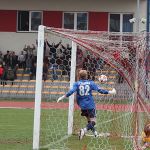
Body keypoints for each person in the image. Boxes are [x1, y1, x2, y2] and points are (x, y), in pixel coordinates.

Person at [57, 69, 116, 140]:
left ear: (79, 76)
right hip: (90, 105)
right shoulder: (91, 83)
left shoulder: (76, 83)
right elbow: (100, 90)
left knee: (89, 120)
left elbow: (72, 91)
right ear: (86, 75)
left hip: (82, 105)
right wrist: (111, 92)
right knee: (94, 121)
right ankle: (84, 130)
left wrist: (63, 97)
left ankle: (95, 133)